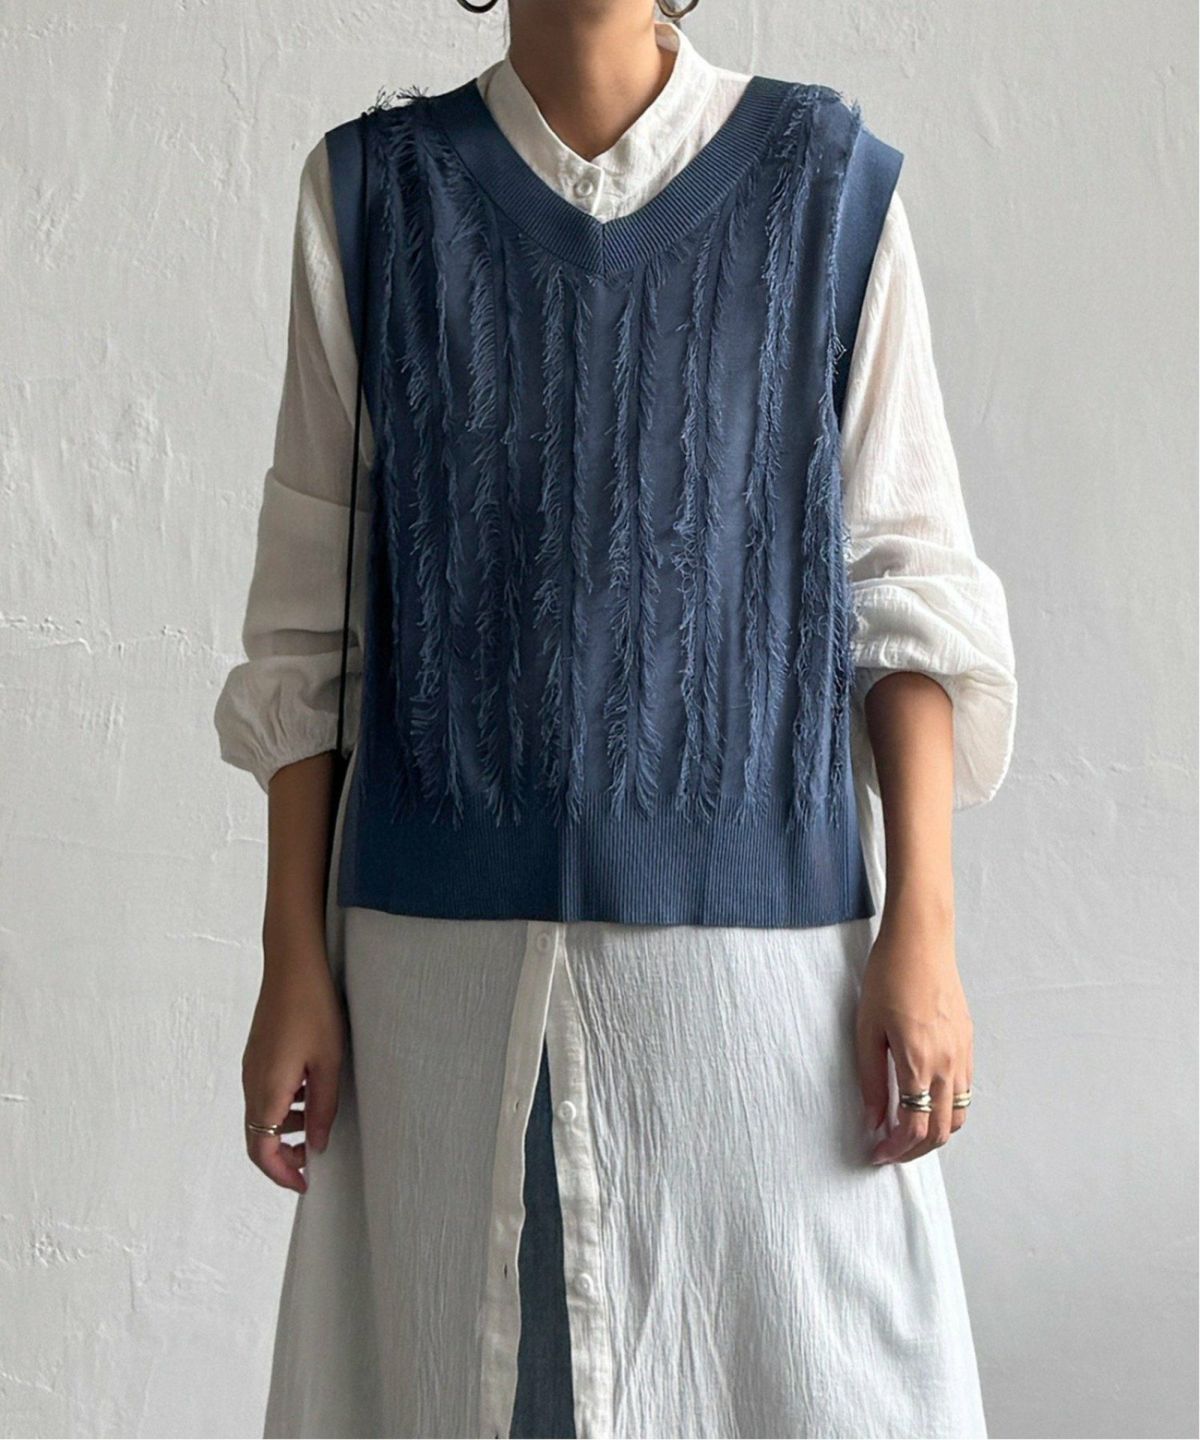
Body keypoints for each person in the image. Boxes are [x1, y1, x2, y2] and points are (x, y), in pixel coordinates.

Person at [213, 2, 1017, 1436]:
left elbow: (906, 594)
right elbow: (307, 629)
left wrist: (926, 932)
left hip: (758, 1001)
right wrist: (291, 958)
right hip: (437, 995)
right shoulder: (372, 198)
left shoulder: (824, 184)